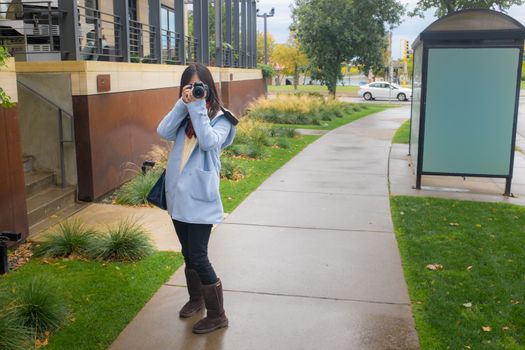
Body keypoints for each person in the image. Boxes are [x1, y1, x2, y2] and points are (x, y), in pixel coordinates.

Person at [156, 63, 236, 334]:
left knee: (199, 256)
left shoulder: (222, 118)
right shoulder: (184, 114)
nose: (195, 90)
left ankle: (218, 315)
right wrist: (183, 103)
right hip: (178, 196)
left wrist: (197, 107)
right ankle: (196, 298)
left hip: (201, 198)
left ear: (210, 87)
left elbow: (208, 141)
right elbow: (163, 131)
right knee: (187, 253)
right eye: (190, 85)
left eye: (199, 85)